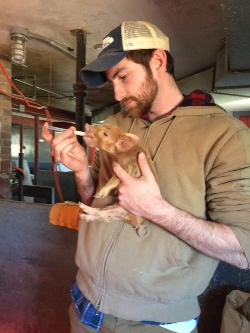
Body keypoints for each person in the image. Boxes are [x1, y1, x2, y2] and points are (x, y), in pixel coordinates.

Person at [42, 21, 250, 333]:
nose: (117, 91)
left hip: (155, 322)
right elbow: (95, 203)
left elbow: (243, 250)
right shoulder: (115, 124)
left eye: (123, 76)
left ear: (158, 61)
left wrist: (155, 208)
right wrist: (82, 171)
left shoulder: (224, 136)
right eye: (113, 82)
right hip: (85, 304)